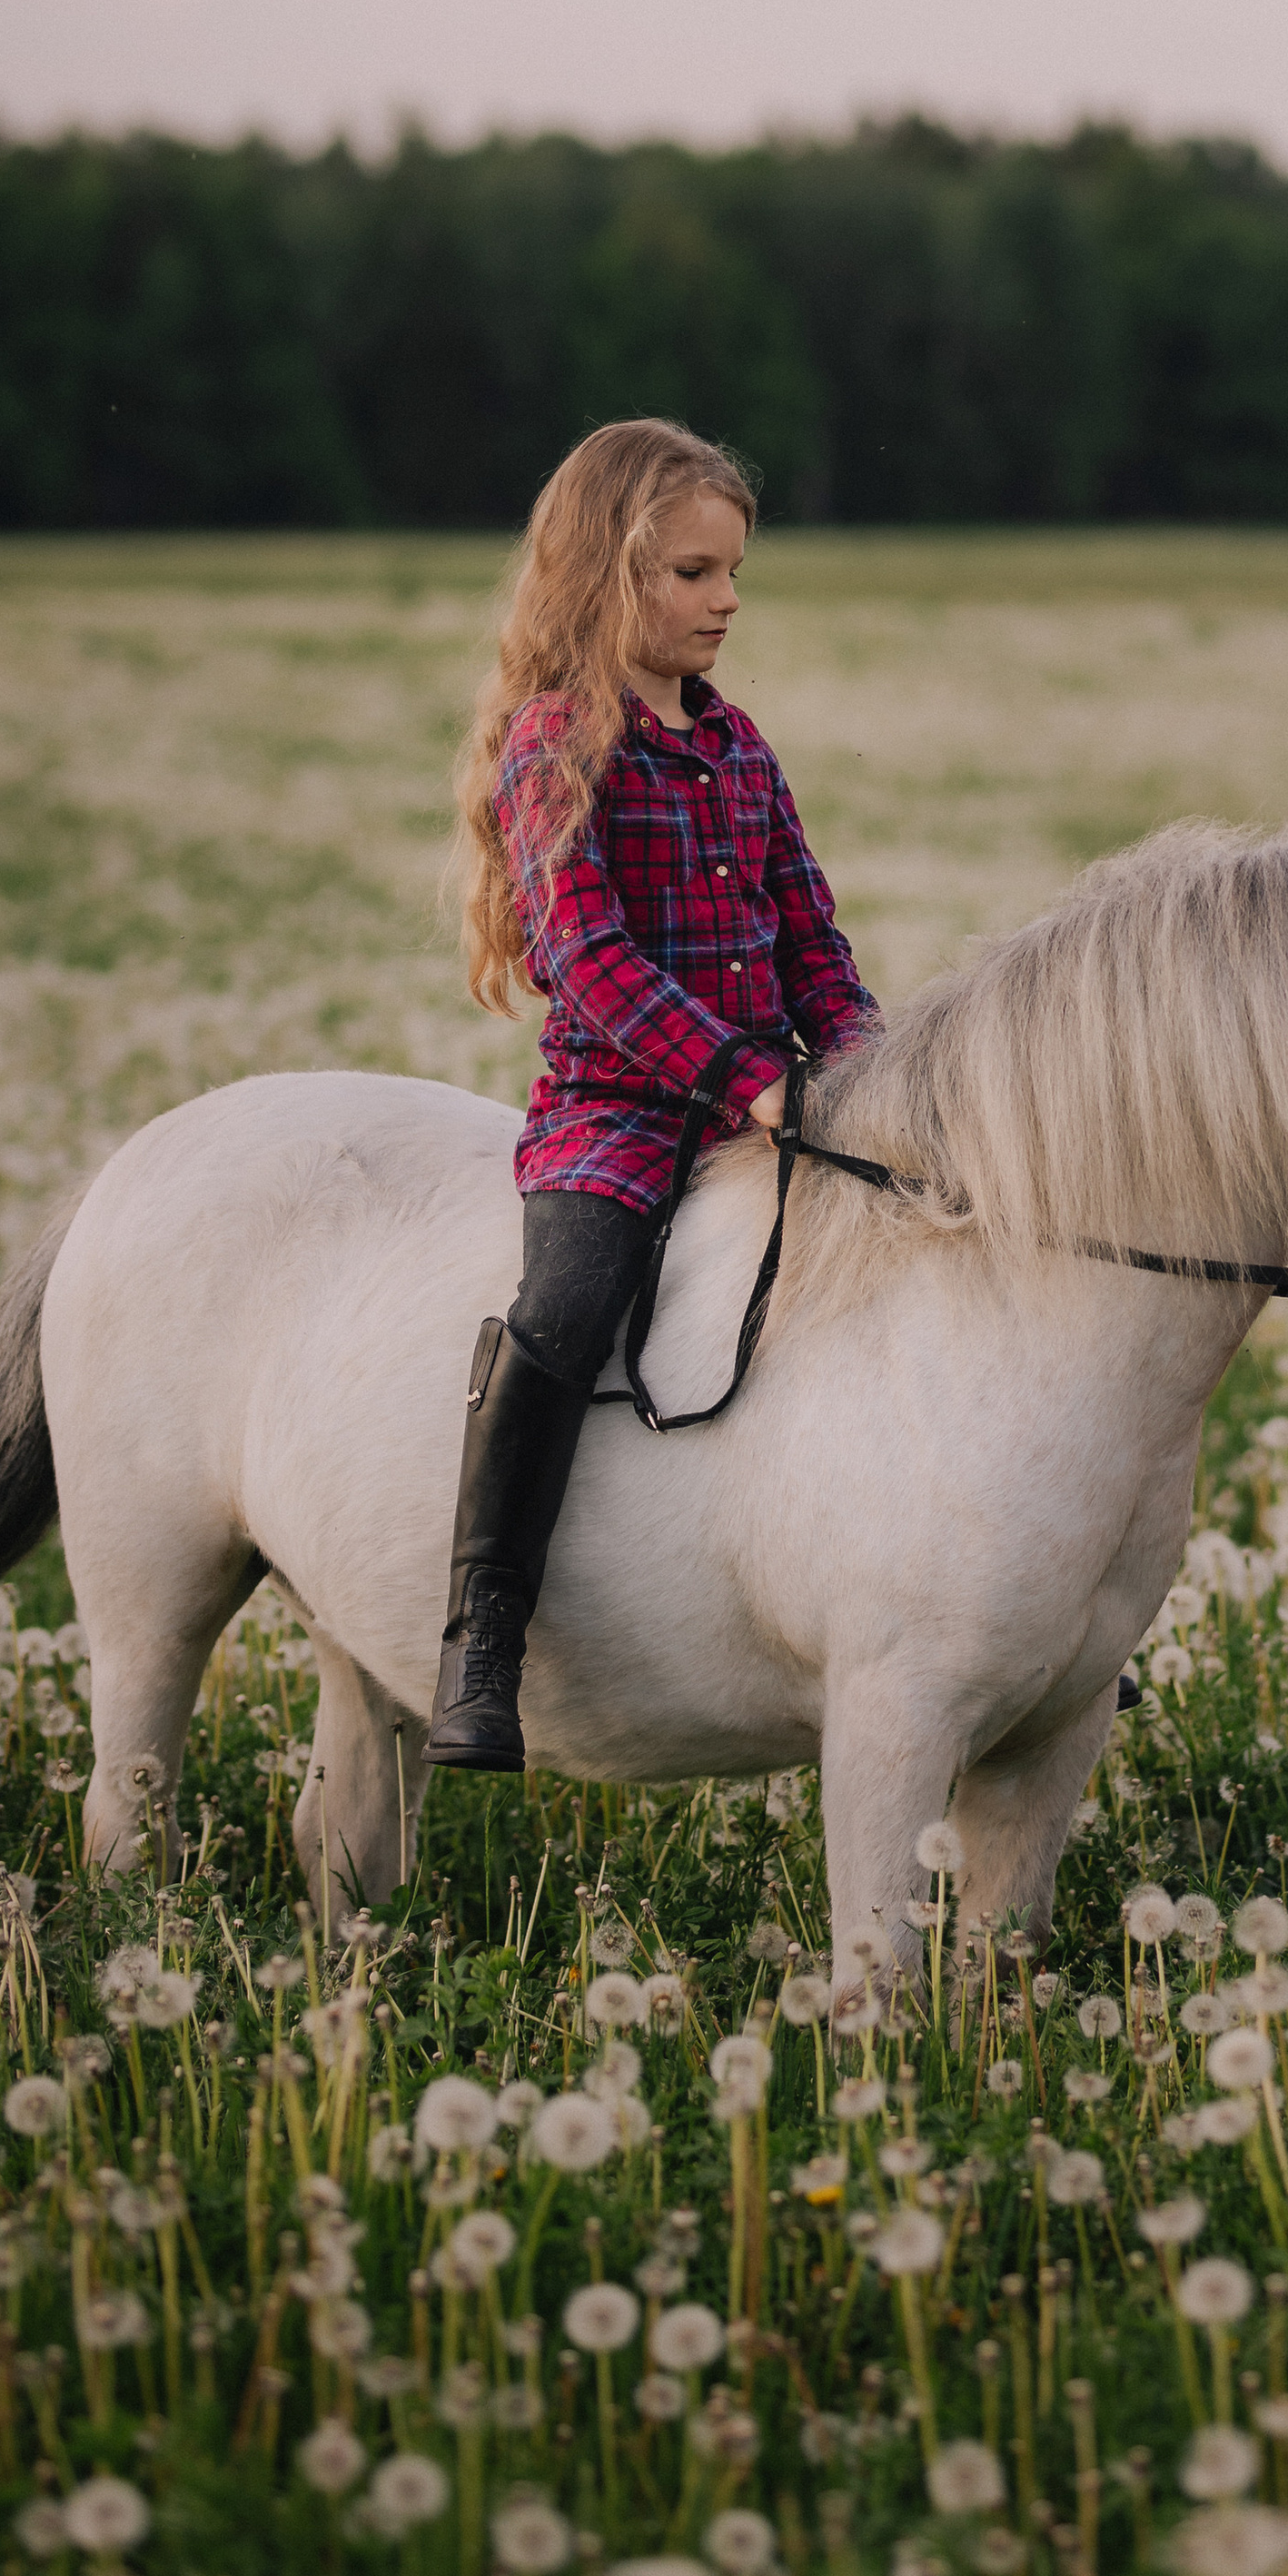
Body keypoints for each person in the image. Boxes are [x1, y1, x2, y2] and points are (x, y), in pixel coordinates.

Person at [429, 418, 879, 1769]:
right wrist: (748, 1081)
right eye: (692, 573)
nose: (726, 600)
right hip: (619, 1118)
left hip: (772, 1102)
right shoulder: (557, 742)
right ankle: (483, 1629)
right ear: (606, 575)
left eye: (732, 572)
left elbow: (812, 936)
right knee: (562, 1316)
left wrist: (861, 1074)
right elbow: (590, 962)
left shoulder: (740, 746)